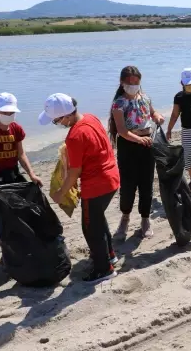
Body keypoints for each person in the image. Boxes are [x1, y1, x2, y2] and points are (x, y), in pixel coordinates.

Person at [40, 93, 120, 284]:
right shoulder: (90, 117)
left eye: (56, 121)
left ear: (66, 116)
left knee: (90, 227)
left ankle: (104, 269)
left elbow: (75, 172)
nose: (57, 124)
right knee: (97, 219)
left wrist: (61, 193)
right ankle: (109, 255)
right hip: (112, 177)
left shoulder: (75, 136)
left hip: (96, 184)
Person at [109, 66, 164, 240]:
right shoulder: (119, 103)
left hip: (148, 145)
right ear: (122, 82)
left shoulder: (145, 97)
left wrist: (157, 117)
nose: (133, 85)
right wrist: (138, 139)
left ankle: (145, 220)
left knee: (146, 183)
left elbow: (153, 112)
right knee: (128, 185)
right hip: (128, 146)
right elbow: (122, 131)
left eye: (136, 81)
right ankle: (125, 218)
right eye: (129, 82)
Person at [0, 92, 42, 215]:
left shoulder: (16, 128)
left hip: (13, 173)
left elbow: (21, 154)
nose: (9, 115)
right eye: (5, 112)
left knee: (24, 207)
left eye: (12, 112)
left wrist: (32, 174)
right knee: (4, 211)